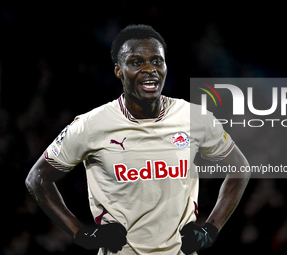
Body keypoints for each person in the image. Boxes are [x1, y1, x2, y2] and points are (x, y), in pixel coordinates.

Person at [25, 24, 250, 255]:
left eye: (156, 61)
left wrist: (211, 230)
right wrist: (81, 234)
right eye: (136, 62)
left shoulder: (195, 117)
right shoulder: (90, 125)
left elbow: (240, 168)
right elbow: (37, 179)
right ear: (118, 71)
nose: (149, 69)